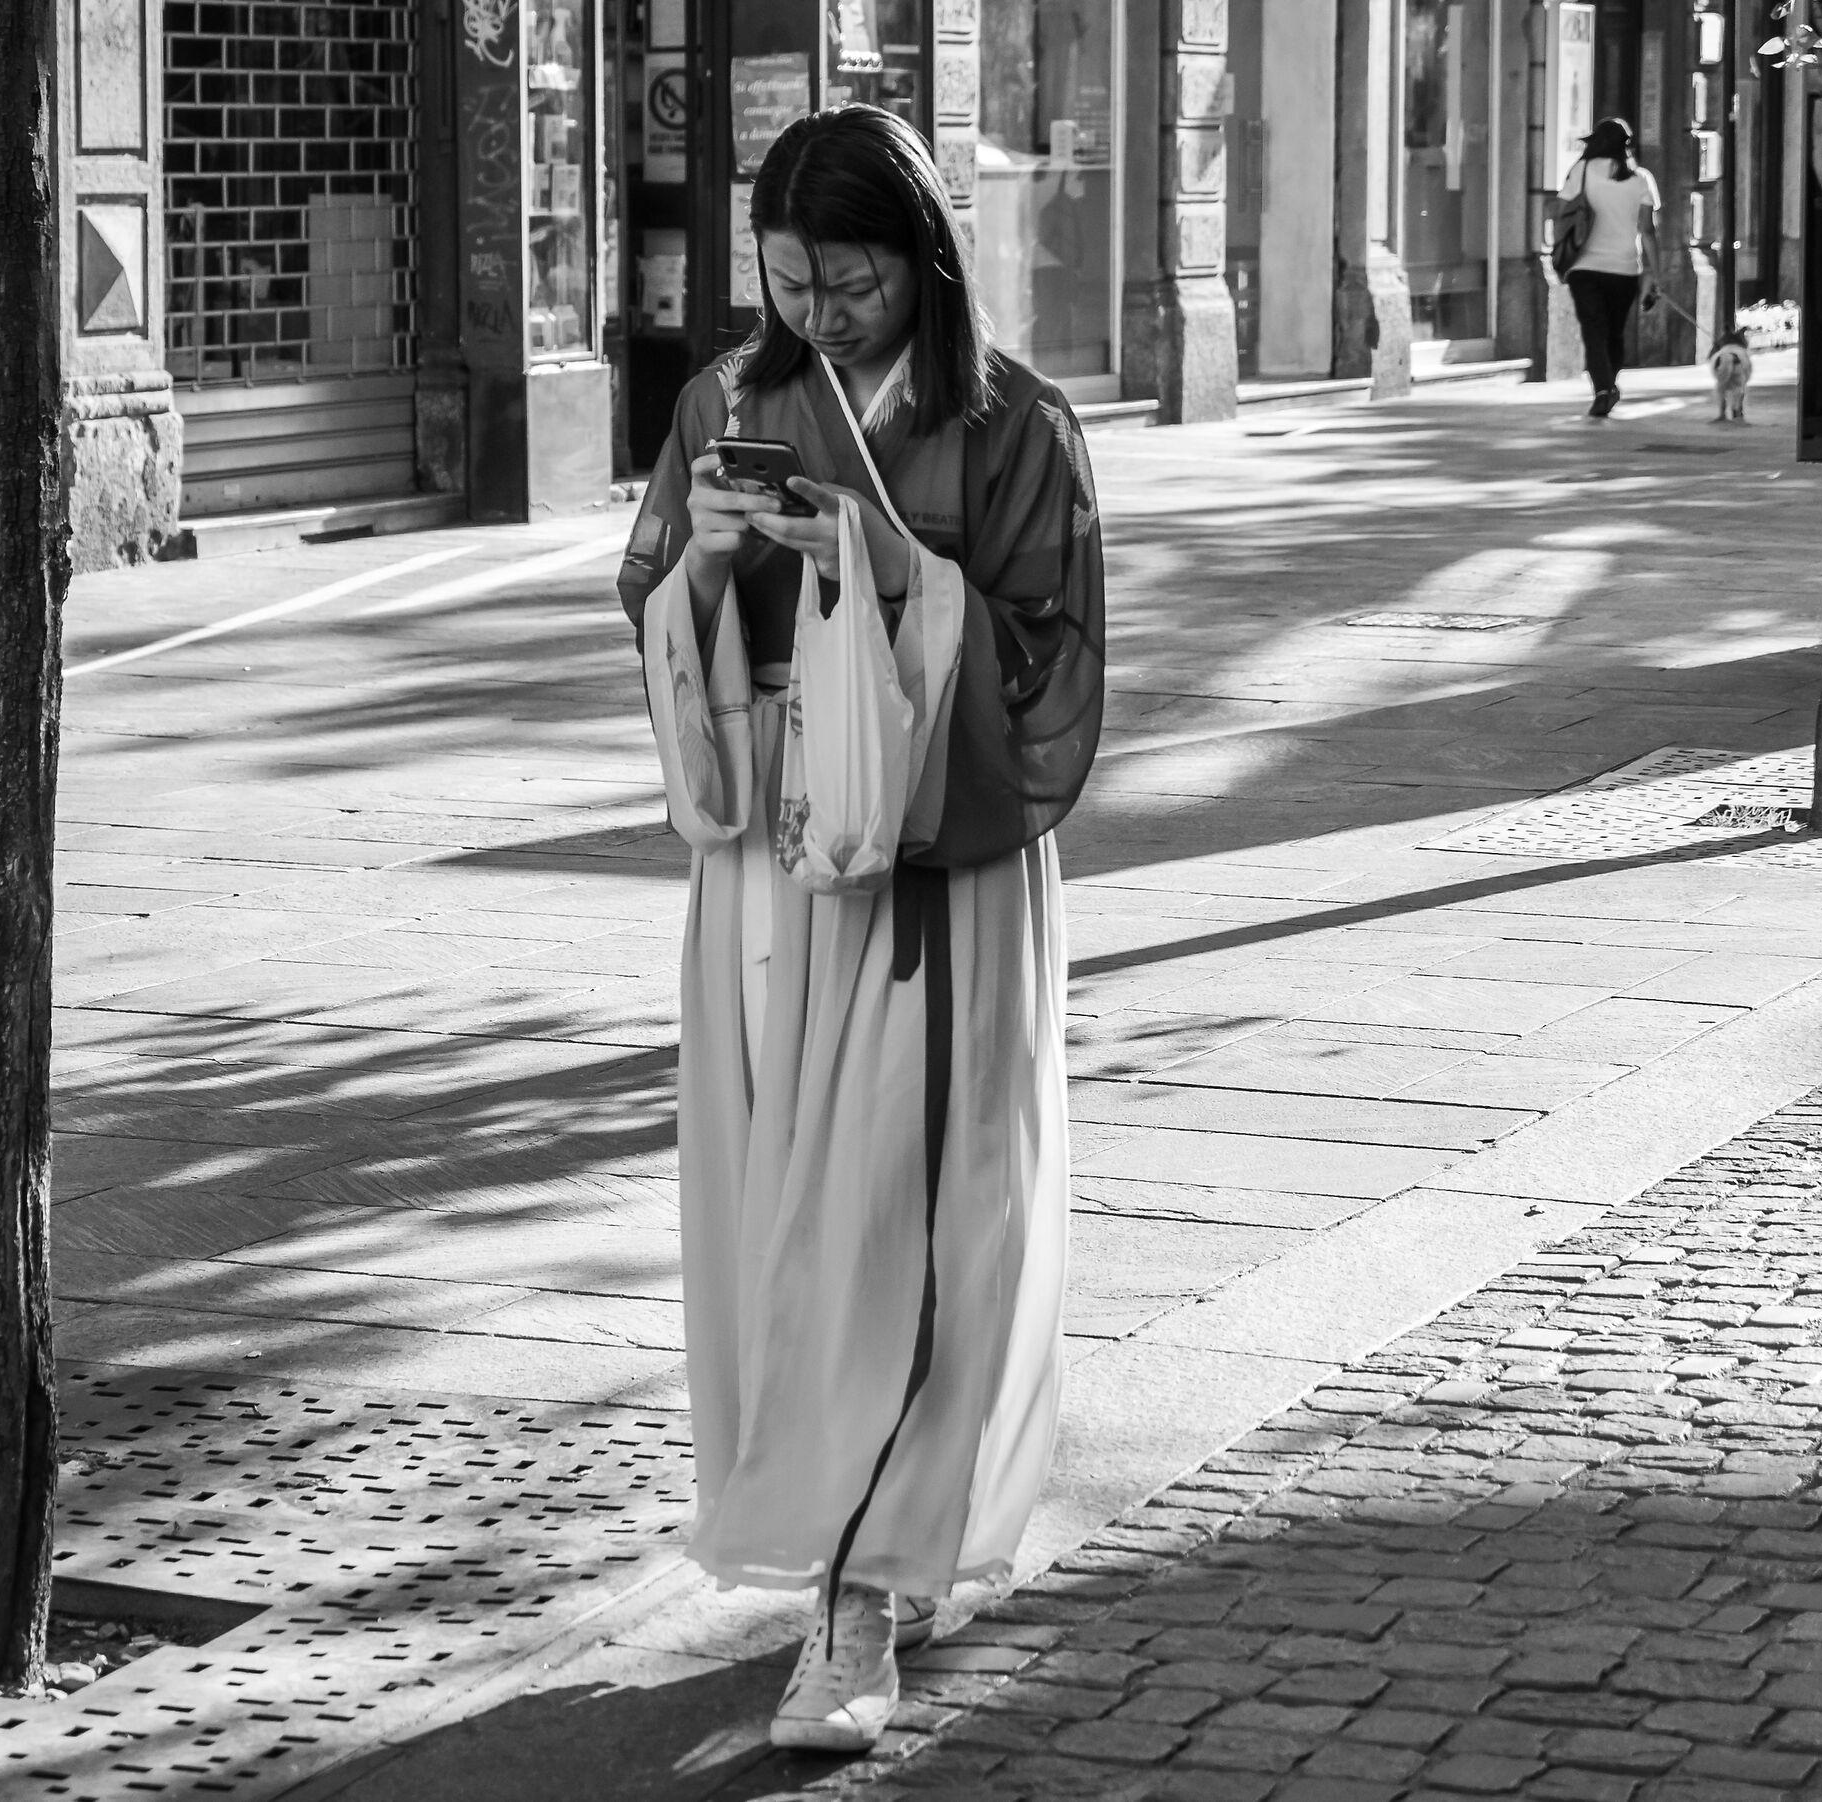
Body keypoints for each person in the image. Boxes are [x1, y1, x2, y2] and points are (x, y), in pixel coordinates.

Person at [616, 104, 1105, 1754]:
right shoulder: (724, 402)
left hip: (935, 871)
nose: (819, 314)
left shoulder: (1018, 425)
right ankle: (856, 1546)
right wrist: (713, 564)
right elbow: (651, 597)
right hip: (771, 864)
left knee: (917, 1219)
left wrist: (902, 572)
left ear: (925, 260)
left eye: (852, 281)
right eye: (786, 280)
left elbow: (1052, 660)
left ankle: (858, 1600)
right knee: (785, 1226)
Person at [1556, 118, 1660, 419]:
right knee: (1614, 333)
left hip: (1584, 267)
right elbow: (1648, 231)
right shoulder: (1641, 179)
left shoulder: (1582, 170)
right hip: (1624, 270)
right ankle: (1609, 385)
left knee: (1593, 329)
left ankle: (1603, 389)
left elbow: (1561, 210)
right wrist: (1656, 276)